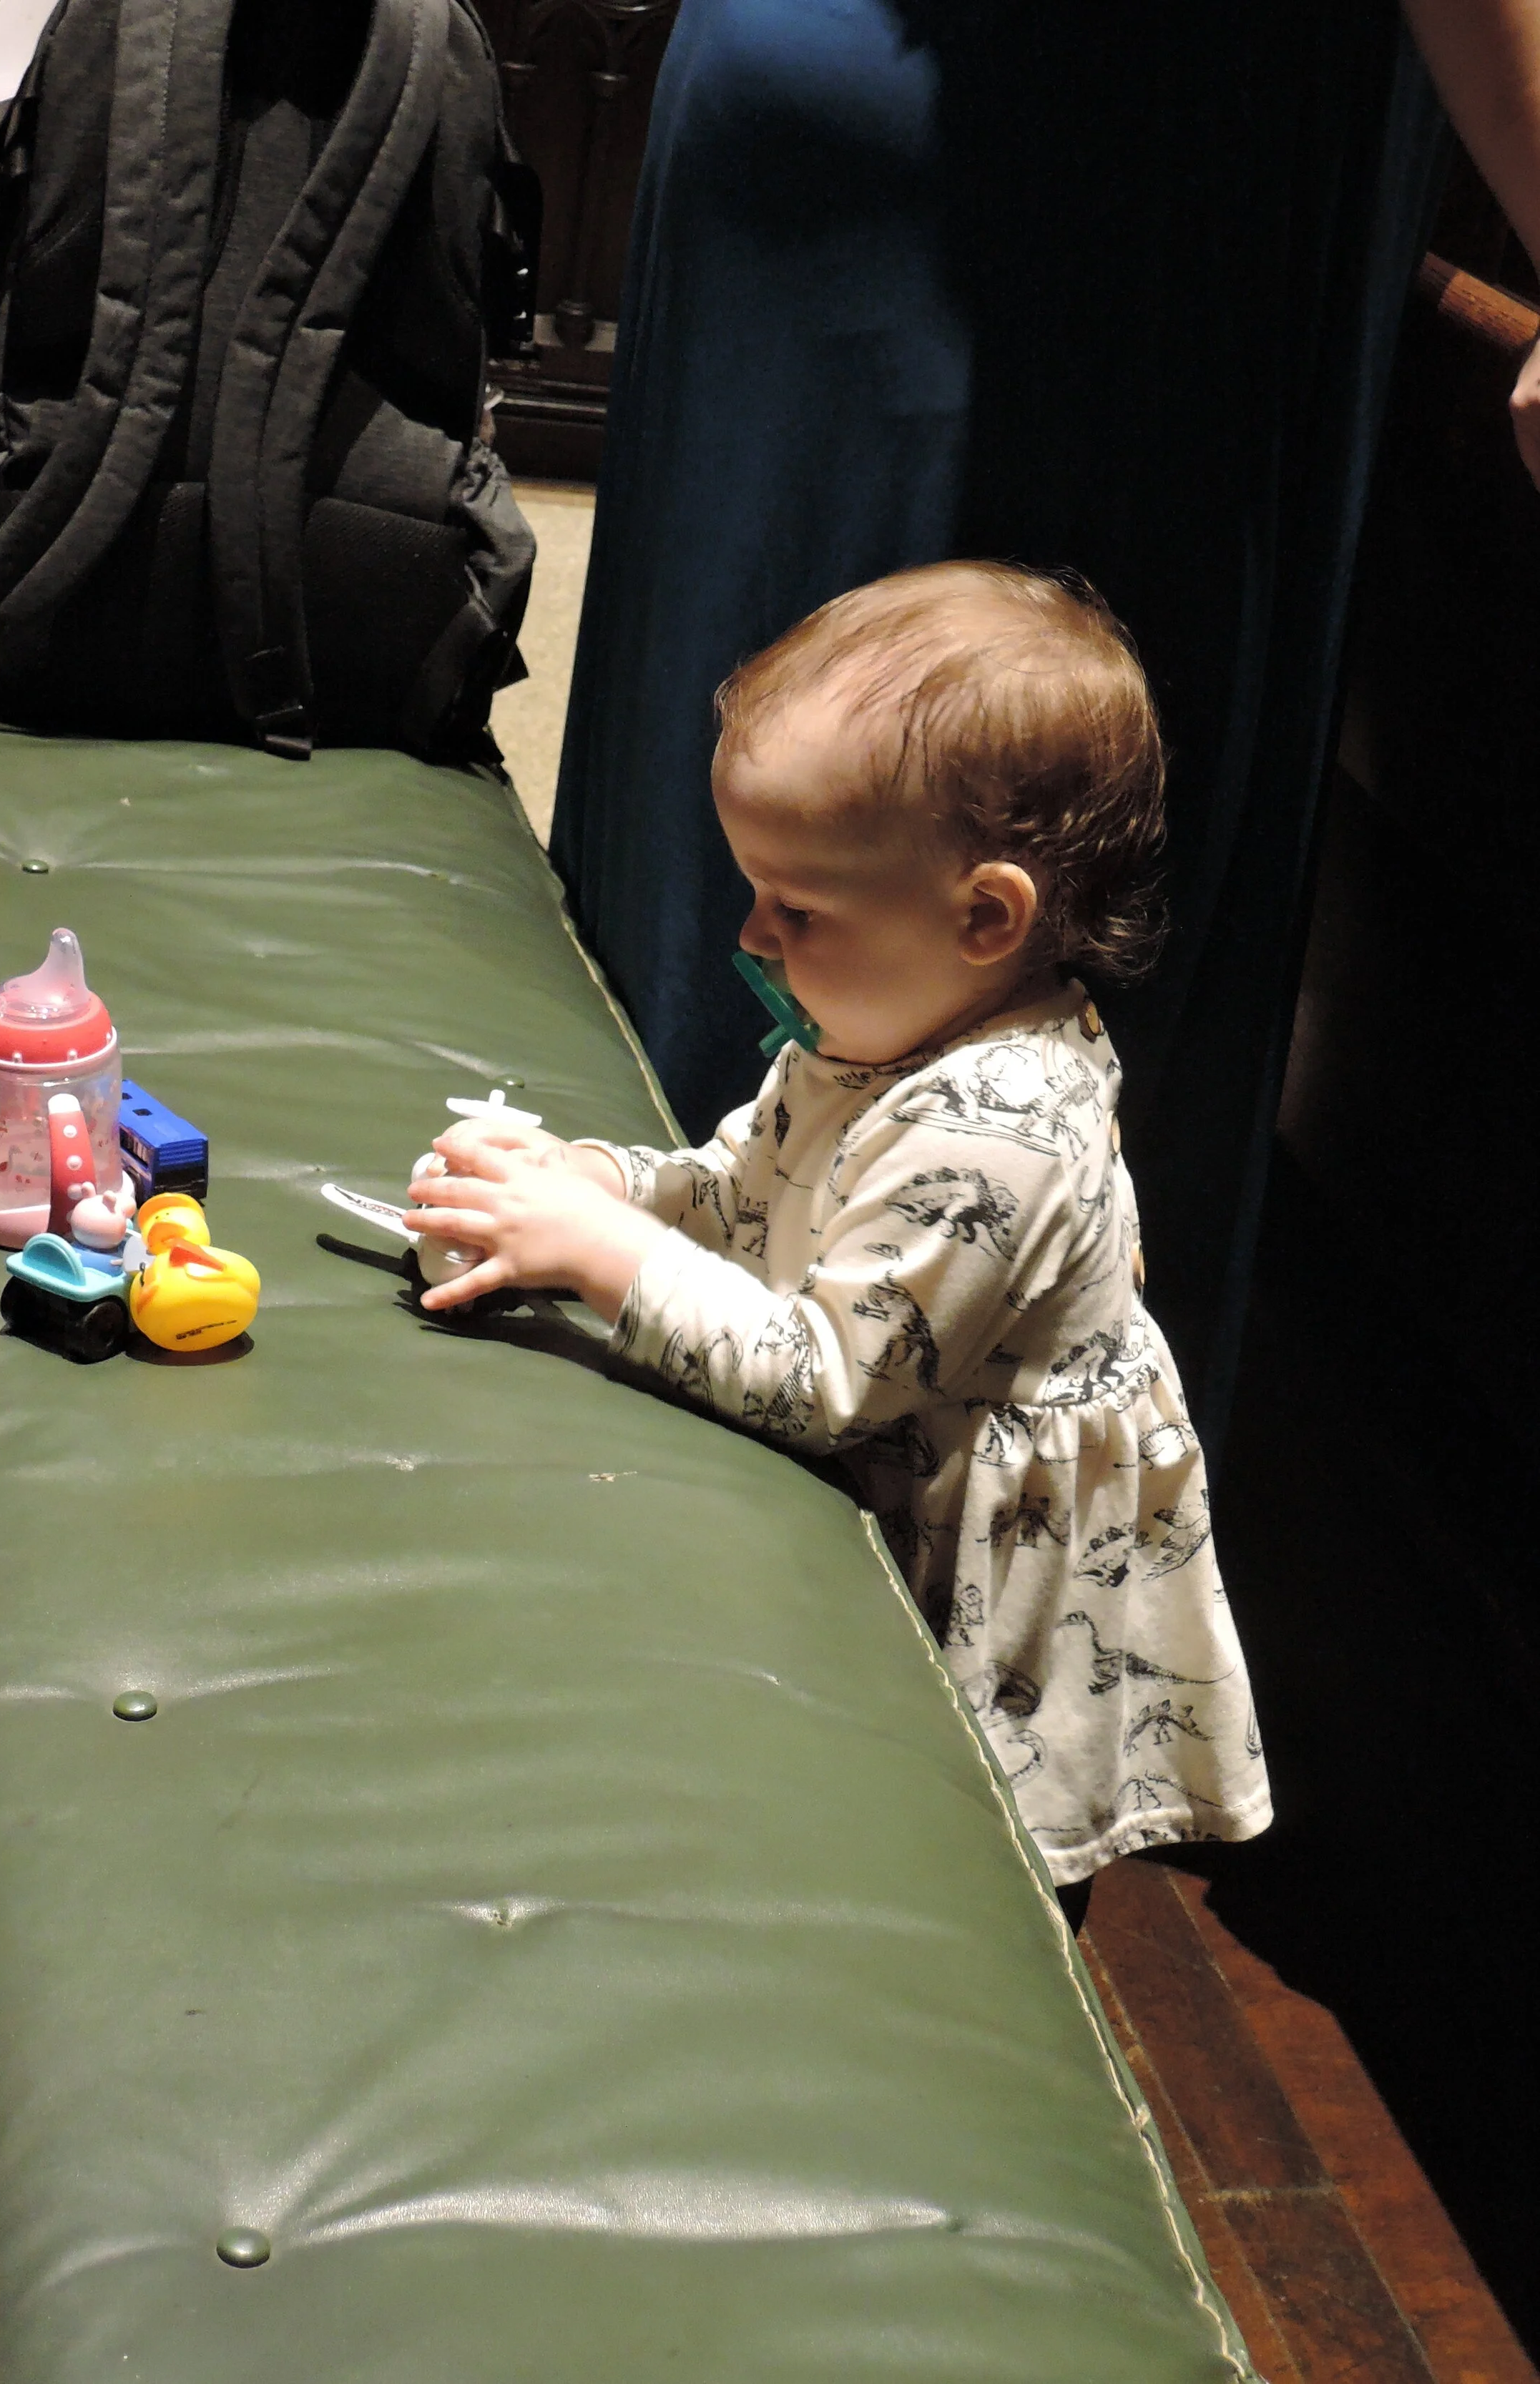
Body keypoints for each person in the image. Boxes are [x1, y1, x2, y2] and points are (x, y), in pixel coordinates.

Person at [548, 0, 1540, 1457]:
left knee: (834, 852)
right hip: (1107, 189)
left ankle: (645, 1373)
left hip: (834, 125)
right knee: (852, 818)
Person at [408, 563, 1271, 1898]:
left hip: (989, 1573)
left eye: (796, 906)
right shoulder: (883, 1024)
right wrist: (594, 1184)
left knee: (952, 1862)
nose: (751, 931)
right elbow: (746, 1191)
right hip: (901, 1464)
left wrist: (596, 1253)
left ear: (986, 917)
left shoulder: (1005, 1126)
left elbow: (823, 1383)